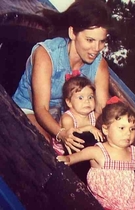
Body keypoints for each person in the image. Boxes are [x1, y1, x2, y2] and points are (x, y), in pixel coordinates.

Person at [12, 0, 112, 152]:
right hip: (29, 110)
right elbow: (41, 109)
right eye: (90, 40)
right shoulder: (46, 55)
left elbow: (101, 111)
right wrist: (62, 133)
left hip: (67, 117)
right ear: (73, 33)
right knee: (44, 145)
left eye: (102, 41)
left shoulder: (100, 65)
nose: (96, 49)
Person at [53, 76, 103, 155]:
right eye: (80, 98)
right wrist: (89, 128)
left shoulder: (95, 116)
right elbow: (71, 135)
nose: (87, 101)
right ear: (69, 102)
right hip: (62, 152)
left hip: (83, 151)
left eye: (90, 97)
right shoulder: (67, 118)